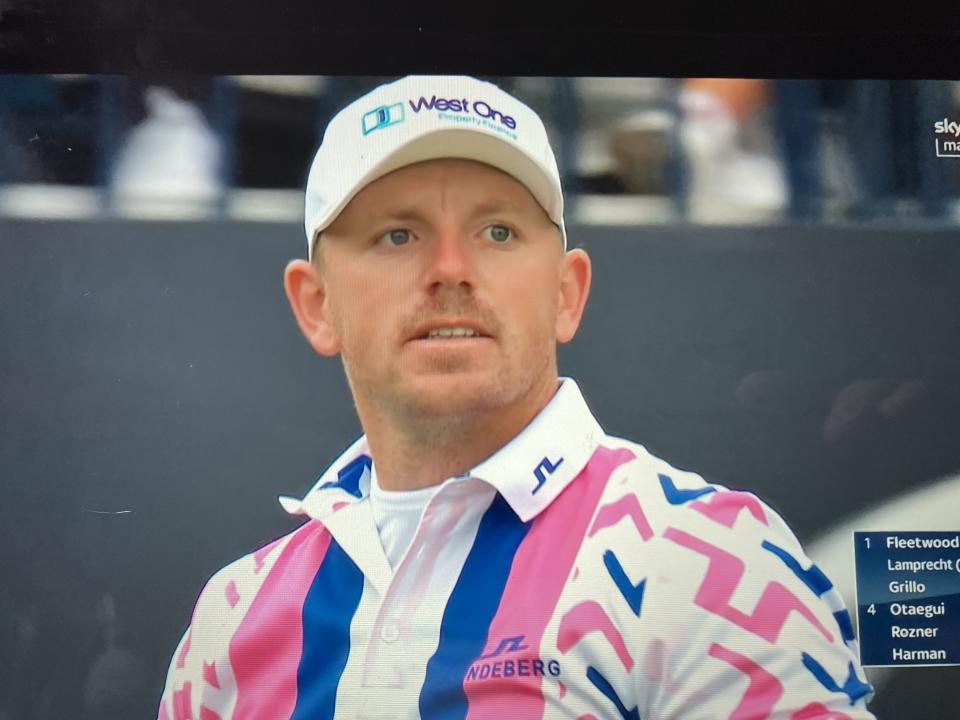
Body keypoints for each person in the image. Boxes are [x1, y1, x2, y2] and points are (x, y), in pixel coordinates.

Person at [157, 75, 876, 719]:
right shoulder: (231, 617)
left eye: (497, 231)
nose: (449, 270)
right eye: (397, 234)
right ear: (315, 306)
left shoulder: (707, 560)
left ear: (568, 293)